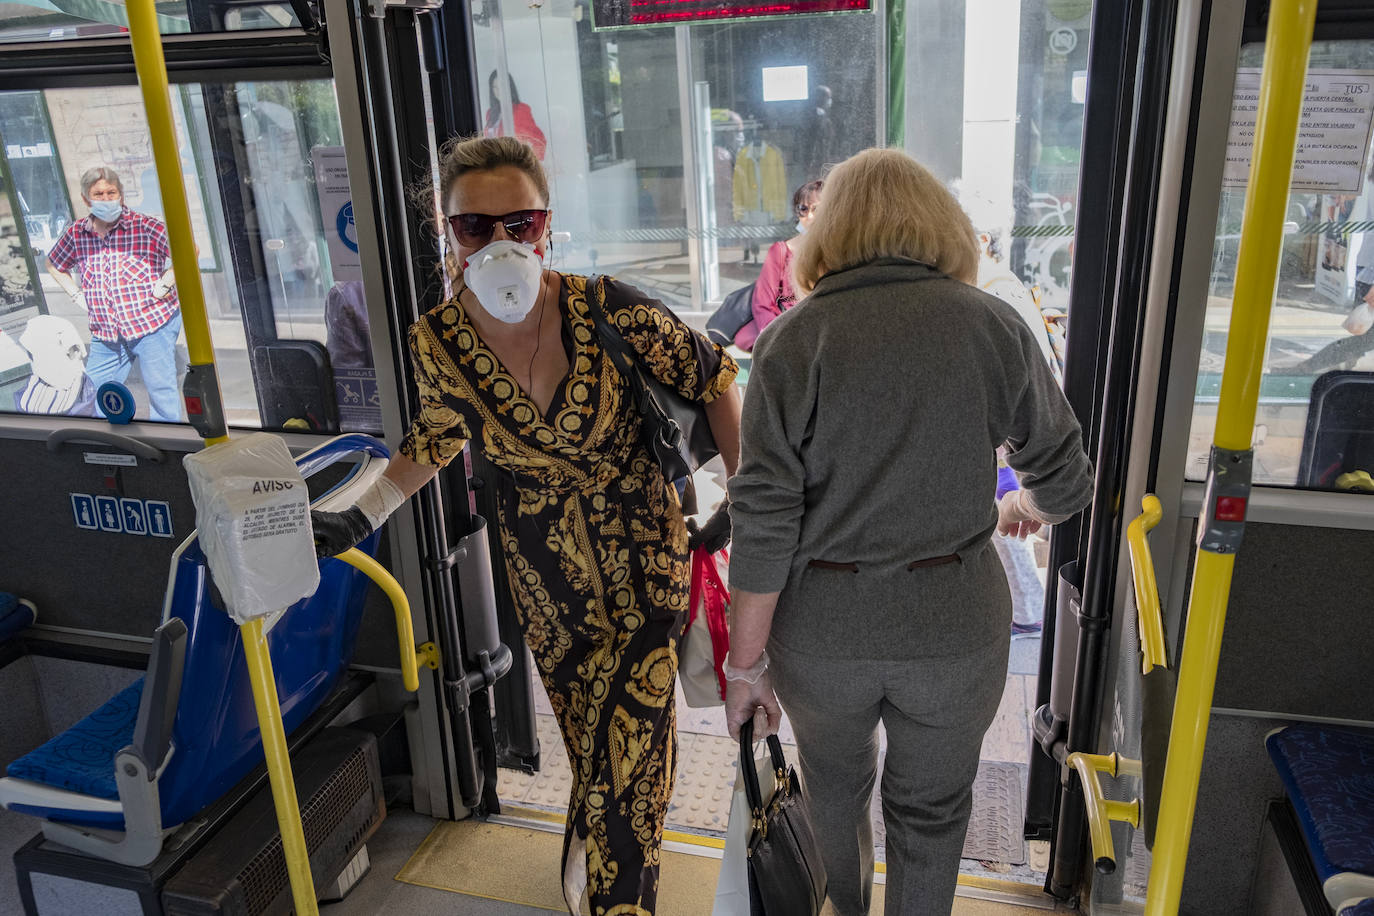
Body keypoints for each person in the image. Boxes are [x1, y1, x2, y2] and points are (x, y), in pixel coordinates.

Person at [310, 136, 742, 915]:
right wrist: (358, 514)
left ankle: (618, 899)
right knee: (595, 754)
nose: (501, 242)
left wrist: (749, 502)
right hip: (544, 583)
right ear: (447, 232)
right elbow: (433, 442)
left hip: (646, 565)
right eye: (476, 227)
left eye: (521, 223)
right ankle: (595, 877)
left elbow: (714, 377)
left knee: (632, 768)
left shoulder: (610, 308)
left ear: (548, 226)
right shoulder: (435, 341)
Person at [723, 148, 1093, 916]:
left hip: (821, 630)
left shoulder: (793, 341)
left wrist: (745, 665)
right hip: (954, 625)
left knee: (832, 789)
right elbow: (1066, 481)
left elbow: (763, 519)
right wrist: (1012, 511)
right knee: (930, 812)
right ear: (942, 226)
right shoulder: (994, 326)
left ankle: (846, 909)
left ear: (826, 231)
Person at [45, 166, 183, 422]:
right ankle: (100, 443)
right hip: (106, 332)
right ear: (87, 199)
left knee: (161, 391)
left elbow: (187, 252)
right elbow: (53, 264)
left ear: (121, 196)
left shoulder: (145, 226)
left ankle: (166, 450)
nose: (106, 199)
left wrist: (166, 282)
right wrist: (76, 295)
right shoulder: (77, 233)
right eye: (99, 194)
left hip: (151, 324)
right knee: (92, 392)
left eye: (112, 192)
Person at [735, 179, 822, 352]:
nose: (809, 216)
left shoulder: (840, 253)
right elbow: (763, 304)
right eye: (803, 209)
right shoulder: (780, 251)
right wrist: (778, 338)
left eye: (816, 209)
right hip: (788, 336)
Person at [484, 71, 548, 160]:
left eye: (501, 87)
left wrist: (529, 163)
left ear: (509, 87)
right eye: (495, 87)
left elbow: (538, 140)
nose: (498, 91)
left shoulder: (520, 109)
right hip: (495, 164)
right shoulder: (490, 113)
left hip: (512, 164)